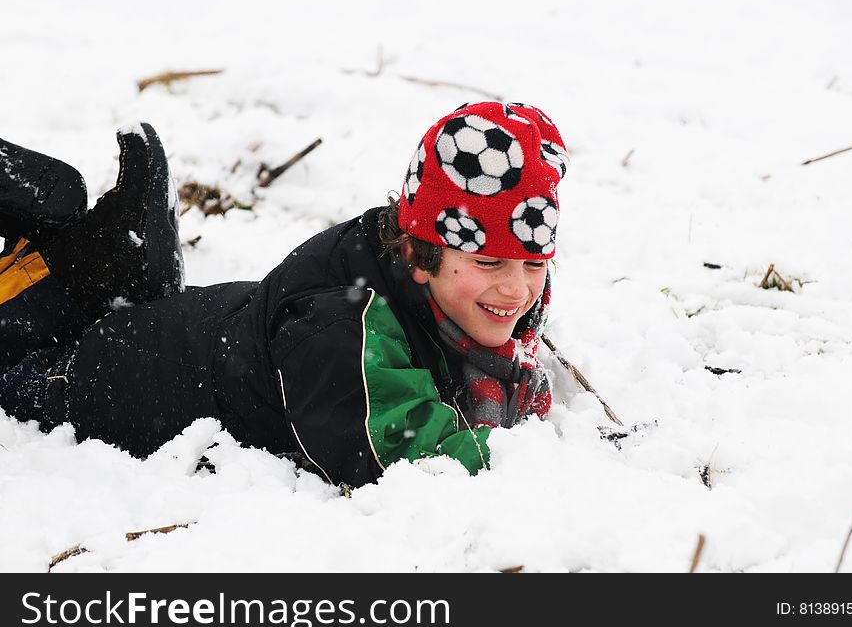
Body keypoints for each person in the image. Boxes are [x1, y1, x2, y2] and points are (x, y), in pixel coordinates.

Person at [0, 101, 568, 489]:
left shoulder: (455, 278)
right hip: (118, 379)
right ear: (422, 256)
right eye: (490, 261)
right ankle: (57, 270)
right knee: (21, 372)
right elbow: (408, 455)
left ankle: (97, 258)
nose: (517, 289)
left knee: (115, 305)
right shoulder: (347, 330)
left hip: (194, 332)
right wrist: (544, 469)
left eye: (534, 264)